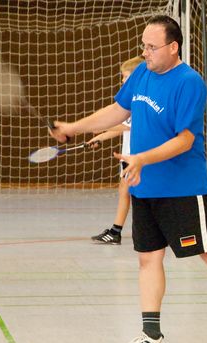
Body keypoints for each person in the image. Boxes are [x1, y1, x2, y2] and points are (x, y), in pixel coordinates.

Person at [50, 15, 207, 343]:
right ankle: (151, 336)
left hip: (182, 188)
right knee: (148, 259)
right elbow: (118, 110)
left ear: (173, 47)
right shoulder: (141, 74)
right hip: (145, 187)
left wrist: (142, 159)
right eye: (143, 46)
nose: (145, 52)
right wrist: (73, 127)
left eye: (152, 47)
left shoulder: (189, 82)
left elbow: (185, 140)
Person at [90, 56, 144, 245]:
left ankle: (116, 231)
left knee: (132, 193)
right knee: (126, 191)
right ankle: (116, 231)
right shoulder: (130, 100)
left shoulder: (140, 101)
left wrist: (100, 127)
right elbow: (123, 126)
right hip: (129, 156)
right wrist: (99, 137)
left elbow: (125, 126)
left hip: (136, 157)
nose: (122, 80)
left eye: (125, 76)